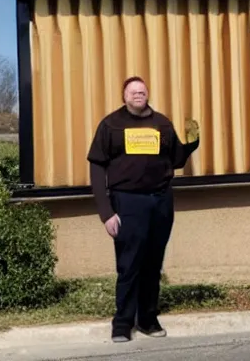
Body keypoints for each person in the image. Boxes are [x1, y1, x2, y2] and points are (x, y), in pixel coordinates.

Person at [87, 76, 200, 343]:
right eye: (132, 91)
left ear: (147, 94)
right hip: (127, 202)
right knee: (129, 265)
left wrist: (191, 144)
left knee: (152, 264)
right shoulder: (111, 125)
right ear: (124, 96)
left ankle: (148, 319)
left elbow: (176, 160)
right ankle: (122, 323)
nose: (138, 94)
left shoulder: (161, 123)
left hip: (160, 201)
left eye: (142, 90)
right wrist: (106, 212)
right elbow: (96, 166)